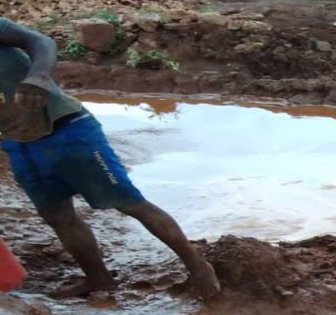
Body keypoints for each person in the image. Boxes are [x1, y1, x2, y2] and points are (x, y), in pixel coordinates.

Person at [0, 18, 219, 299]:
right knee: (57, 215)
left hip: (67, 129)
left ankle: (198, 266)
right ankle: (98, 279)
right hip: (20, 142)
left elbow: (41, 41)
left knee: (129, 203)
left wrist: (38, 77)